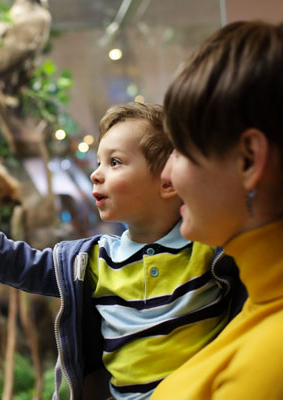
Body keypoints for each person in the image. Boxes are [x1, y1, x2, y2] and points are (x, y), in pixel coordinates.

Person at [0, 102, 242, 400]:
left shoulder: (209, 249)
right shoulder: (95, 260)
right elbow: (21, 264)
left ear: (167, 182)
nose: (95, 174)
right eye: (99, 162)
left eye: (114, 162)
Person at [152, 20, 283, 400]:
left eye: (179, 150)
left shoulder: (267, 365)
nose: (166, 174)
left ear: (247, 160)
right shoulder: (256, 303)